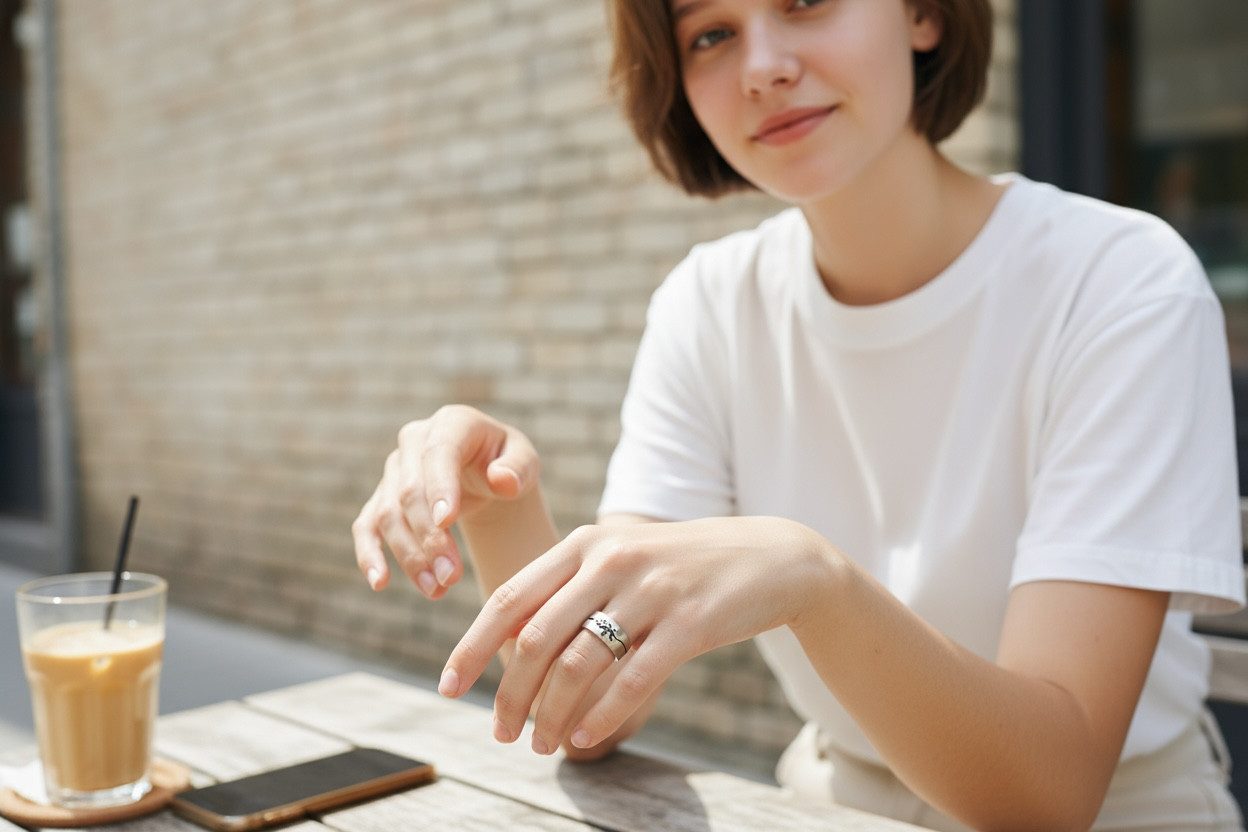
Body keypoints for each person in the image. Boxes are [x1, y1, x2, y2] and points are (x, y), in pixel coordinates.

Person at [351, 0, 1246, 828]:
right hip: (828, 807)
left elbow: (1045, 798)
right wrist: (506, 502)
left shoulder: (1119, 281)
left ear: (924, 14)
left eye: (805, 0)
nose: (763, 68)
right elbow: (587, 723)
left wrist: (815, 581)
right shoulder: (709, 305)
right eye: (711, 35)